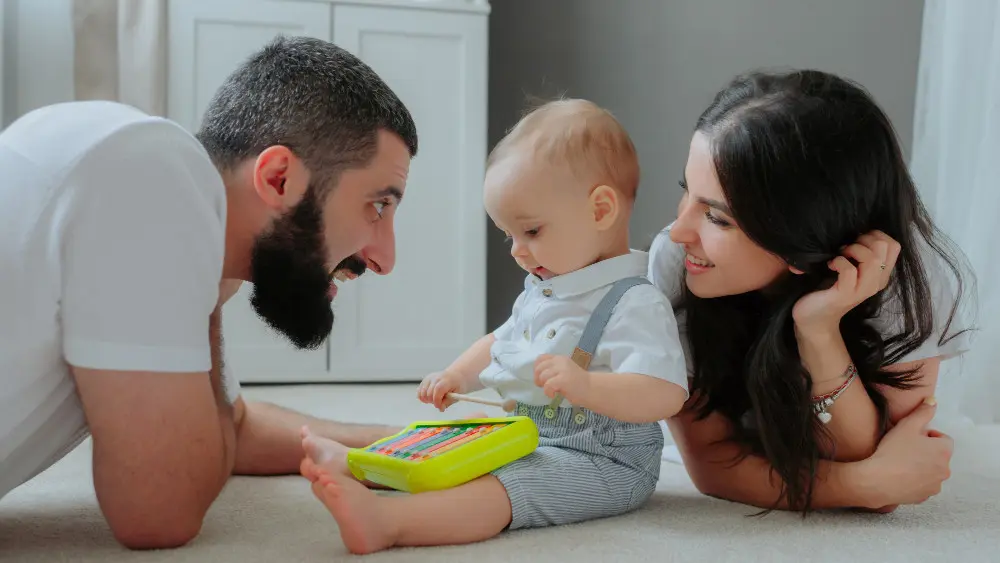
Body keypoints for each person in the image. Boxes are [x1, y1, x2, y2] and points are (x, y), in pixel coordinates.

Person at [0, 36, 416, 549]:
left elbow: (230, 426)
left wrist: (404, 443)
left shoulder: (135, 164)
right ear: (279, 178)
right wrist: (209, 307)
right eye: (377, 206)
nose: (385, 258)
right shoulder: (152, 180)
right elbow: (159, 510)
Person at [298, 99, 689, 554]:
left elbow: (664, 393)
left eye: (533, 232)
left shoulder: (634, 301)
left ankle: (390, 522)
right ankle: (361, 464)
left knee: (511, 483)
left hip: (605, 462)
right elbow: (498, 341)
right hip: (531, 434)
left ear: (601, 211)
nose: (517, 251)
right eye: (510, 235)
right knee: (460, 443)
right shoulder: (547, 290)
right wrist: (455, 376)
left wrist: (587, 387)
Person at [648, 68, 976, 514]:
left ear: (802, 237)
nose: (679, 231)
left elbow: (868, 452)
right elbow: (711, 463)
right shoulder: (677, 260)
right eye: (687, 194)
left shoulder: (908, 281)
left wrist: (819, 329)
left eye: (718, 218)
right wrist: (862, 486)